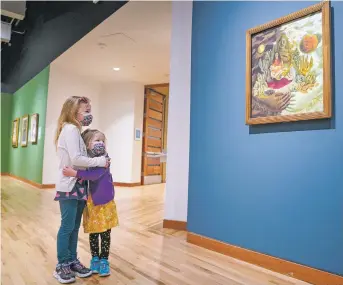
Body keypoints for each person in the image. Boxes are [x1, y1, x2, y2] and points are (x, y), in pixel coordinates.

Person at [54, 96, 109, 284]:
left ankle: (71, 260)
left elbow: (82, 162)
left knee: (75, 227)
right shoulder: (69, 129)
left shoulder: (76, 132)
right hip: (69, 186)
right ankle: (62, 264)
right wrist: (100, 161)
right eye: (86, 111)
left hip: (78, 185)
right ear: (73, 112)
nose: (89, 114)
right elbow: (76, 159)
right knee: (67, 226)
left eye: (89, 110)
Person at [63, 129, 118, 277]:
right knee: (94, 232)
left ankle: (104, 260)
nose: (100, 143)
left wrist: (76, 174)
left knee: (105, 232)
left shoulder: (104, 159)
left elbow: (95, 175)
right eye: (96, 140)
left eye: (102, 141)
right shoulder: (86, 159)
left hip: (104, 202)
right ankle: (95, 259)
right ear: (87, 144)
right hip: (92, 202)